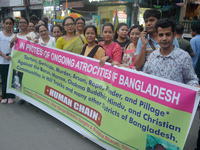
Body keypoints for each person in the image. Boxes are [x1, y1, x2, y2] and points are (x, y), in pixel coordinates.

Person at [144, 18, 198, 86]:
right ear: (157, 36)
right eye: (161, 35)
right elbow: (146, 77)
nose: (164, 38)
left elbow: (191, 79)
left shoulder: (183, 57)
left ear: (174, 35)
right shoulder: (152, 56)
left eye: (168, 34)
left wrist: (195, 87)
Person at [0, 17, 16, 104]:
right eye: (6, 23)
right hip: (2, 61)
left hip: (12, 61)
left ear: (13, 25)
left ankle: (10, 96)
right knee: (4, 78)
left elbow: (17, 49)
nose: (8, 25)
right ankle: (4, 96)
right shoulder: (0, 34)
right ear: (3, 24)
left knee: (11, 78)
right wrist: (4, 56)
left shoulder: (15, 36)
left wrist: (11, 56)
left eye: (10, 23)